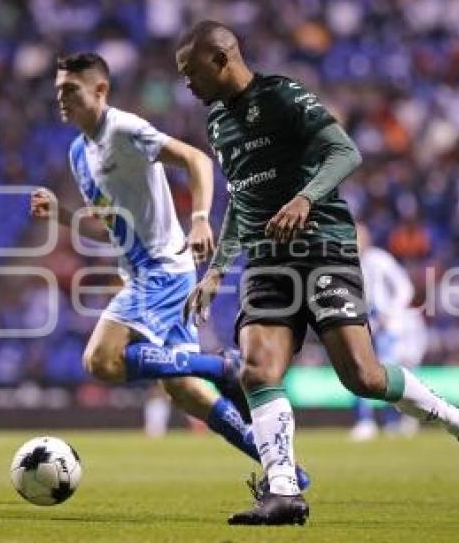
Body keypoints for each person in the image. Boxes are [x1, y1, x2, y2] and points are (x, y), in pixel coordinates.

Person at [176, 21, 459, 526]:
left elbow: (346, 151)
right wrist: (218, 269)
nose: (186, 84)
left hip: (323, 248)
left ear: (222, 58)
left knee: (364, 377)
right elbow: (241, 201)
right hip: (268, 262)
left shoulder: (282, 95)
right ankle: (283, 491)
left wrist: (305, 198)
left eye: (191, 71)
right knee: (256, 369)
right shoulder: (218, 123)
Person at [29, 52, 310, 489]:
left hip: (161, 268)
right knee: (183, 391)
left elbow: (197, 160)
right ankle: (284, 469)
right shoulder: (78, 154)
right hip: (142, 272)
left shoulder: (123, 129)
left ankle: (222, 367)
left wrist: (200, 217)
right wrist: (61, 215)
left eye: (71, 90)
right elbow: (109, 226)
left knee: (100, 360)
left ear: (100, 90)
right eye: (58, 91)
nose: (61, 99)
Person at [350, 222, 428, 441]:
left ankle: (394, 421)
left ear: (366, 239)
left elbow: (405, 287)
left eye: (357, 237)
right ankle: (365, 421)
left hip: (385, 326)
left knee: (387, 373)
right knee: (356, 369)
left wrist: (390, 313)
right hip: (361, 324)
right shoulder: (345, 263)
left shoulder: (378, 259)